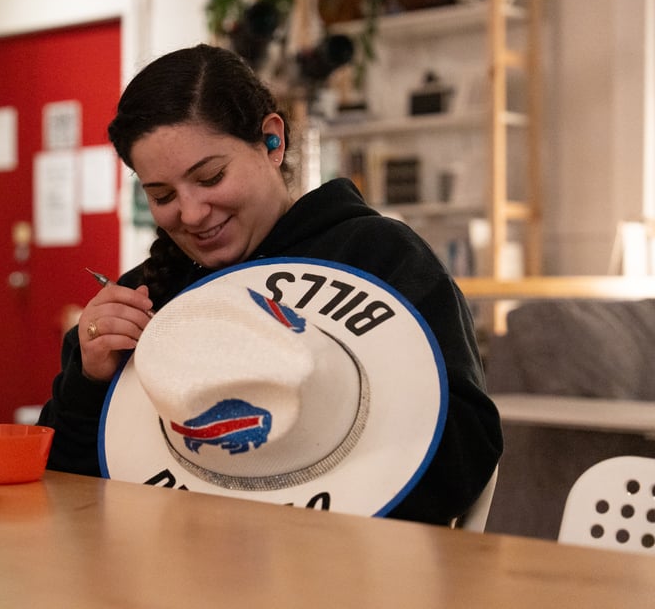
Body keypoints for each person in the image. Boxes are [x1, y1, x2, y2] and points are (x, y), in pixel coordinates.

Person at [38, 43, 502, 526]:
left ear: (272, 141)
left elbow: (465, 448)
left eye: (211, 177)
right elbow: (67, 492)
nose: (191, 213)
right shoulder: (145, 296)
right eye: (163, 195)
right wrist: (90, 380)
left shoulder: (378, 256)